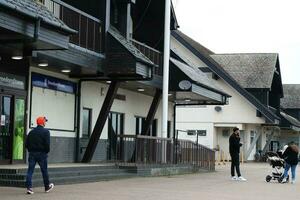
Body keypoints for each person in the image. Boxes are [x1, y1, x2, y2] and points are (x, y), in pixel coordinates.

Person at [25, 116, 54, 194]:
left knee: (30, 171)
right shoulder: (46, 132)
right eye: (45, 121)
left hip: (32, 154)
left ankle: (29, 188)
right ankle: (47, 187)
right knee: (44, 171)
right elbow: (47, 144)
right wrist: (46, 152)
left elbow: (26, 144)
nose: (45, 123)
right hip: (42, 154)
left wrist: (31, 150)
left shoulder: (31, 132)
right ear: (42, 122)